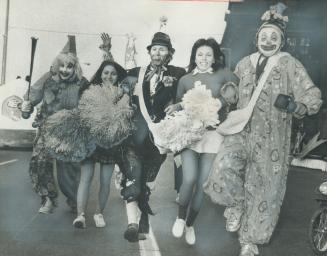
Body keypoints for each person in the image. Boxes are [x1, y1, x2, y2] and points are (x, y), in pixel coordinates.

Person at [204, 3, 322, 256]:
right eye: (264, 36)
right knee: (222, 169)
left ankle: (250, 241)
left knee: (265, 188)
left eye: (274, 37)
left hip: (273, 139)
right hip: (241, 132)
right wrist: (228, 94)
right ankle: (235, 205)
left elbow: (312, 96)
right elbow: (233, 95)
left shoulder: (290, 64)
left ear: (281, 41)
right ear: (256, 38)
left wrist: (299, 106)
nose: (268, 41)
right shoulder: (244, 64)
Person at [170, 38, 238, 245]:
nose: (204, 59)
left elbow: (238, 93)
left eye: (208, 54)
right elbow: (179, 104)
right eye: (200, 54)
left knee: (202, 184)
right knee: (189, 178)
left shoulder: (224, 74)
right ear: (194, 56)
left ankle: (190, 224)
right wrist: (176, 108)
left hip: (213, 135)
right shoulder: (185, 79)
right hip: (190, 135)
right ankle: (180, 217)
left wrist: (226, 103)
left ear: (215, 57)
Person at [122, 32, 186, 242]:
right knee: (132, 179)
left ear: (169, 53)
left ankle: (143, 221)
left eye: (163, 49)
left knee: (146, 182)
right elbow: (114, 76)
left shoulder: (177, 74)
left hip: (158, 141)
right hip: (133, 136)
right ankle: (132, 223)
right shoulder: (136, 73)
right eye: (154, 49)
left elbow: (186, 93)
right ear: (149, 52)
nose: (158, 53)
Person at [21, 39, 89, 214]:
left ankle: (74, 199)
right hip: (46, 129)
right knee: (40, 162)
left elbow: (90, 106)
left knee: (68, 171)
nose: (65, 70)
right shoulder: (47, 80)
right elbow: (29, 101)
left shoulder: (82, 84)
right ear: (56, 66)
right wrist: (26, 107)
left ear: (75, 68)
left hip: (69, 133)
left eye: (69, 66)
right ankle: (48, 198)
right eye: (62, 65)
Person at [72, 60, 133, 228]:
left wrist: (126, 96)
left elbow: (124, 117)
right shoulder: (90, 91)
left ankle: (99, 214)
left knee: (105, 181)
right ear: (100, 74)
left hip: (110, 143)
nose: (109, 76)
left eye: (113, 73)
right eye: (105, 73)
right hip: (90, 141)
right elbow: (82, 114)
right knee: (85, 179)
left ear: (118, 76)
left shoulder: (122, 93)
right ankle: (80, 216)